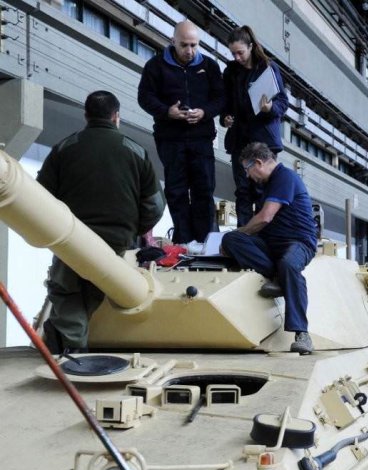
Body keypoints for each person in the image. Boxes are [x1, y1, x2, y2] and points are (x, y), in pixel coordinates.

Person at [37, 91, 166, 353]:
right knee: (103, 288)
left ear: (86, 115)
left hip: (71, 239)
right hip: (117, 242)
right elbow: (155, 205)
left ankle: (70, 353)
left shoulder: (64, 148)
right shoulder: (136, 151)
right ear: (116, 116)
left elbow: (41, 198)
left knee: (68, 293)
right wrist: (135, 230)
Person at [221, 142, 318, 354]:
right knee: (231, 240)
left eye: (247, 169)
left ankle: (302, 334)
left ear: (258, 163)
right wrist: (233, 239)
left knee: (289, 264)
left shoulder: (285, 177)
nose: (247, 175)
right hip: (271, 243)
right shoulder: (265, 185)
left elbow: (265, 217)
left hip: (298, 243)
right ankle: (280, 278)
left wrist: (243, 231)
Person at [137, 20, 224, 247]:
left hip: (201, 139)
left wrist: (204, 113)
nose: (189, 51)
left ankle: (204, 243)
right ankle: (183, 242)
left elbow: (220, 99)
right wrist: (168, 112)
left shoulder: (210, 66)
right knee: (176, 191)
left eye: (194, 45)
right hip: (170, 139)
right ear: (173, 41)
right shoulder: (155, 66)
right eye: (184, 45)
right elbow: (145, 98)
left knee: (204, 189)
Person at [221, 26, 289, 227]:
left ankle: (264, 236)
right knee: (242, 191)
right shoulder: (231, 72)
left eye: (240, 52)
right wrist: (225, 118)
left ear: (250, 46)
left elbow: (283, 102)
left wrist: (270, 107)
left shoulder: (268, 68)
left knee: (263, 191)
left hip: (264, 140)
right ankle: (244, 235)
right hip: (239, 140)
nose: (237, 58)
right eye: (233, 53)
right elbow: (225, 104)